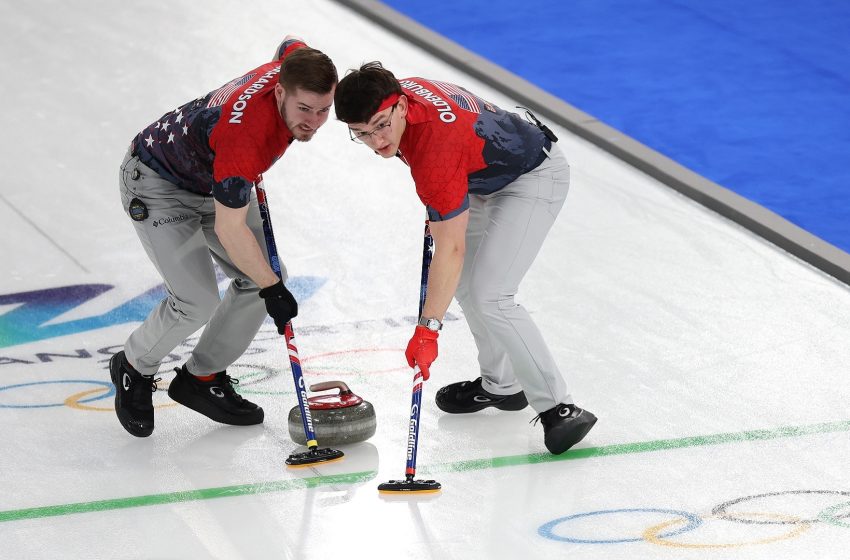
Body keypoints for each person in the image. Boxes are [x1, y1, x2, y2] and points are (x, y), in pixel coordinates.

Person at [334, 63, 596, 454]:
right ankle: (502, 385)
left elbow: (451, 249)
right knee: (467, 287)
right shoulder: (398, 98)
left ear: (401, 106)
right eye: (361, 133)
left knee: (492, 294)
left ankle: (560, 408)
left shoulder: (434, 151)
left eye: (381, 126)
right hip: (478, 174)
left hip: (532, 175)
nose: (376, 141)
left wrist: (427, 331)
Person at [110, 37, 338, 437]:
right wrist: (273, 290)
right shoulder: (245, 138)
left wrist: (269, 283)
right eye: (304, 109)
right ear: (279, 92)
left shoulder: (291, 67)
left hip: (215, 177)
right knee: (197, 301)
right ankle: (133, 365)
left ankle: (202, 377)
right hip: (159, 186)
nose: (314, 121)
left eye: (323, 110)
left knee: (262, 276)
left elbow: (289, 44)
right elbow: (230, 229)